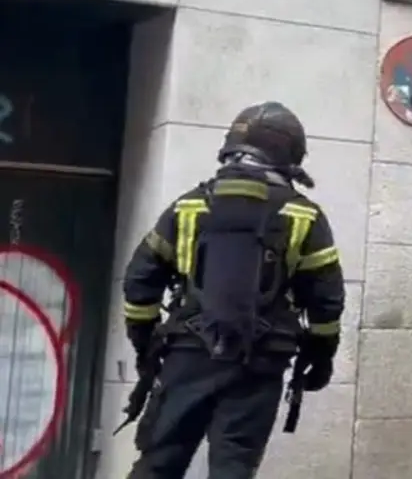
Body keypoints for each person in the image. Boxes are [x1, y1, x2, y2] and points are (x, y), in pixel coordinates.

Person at [121, 101, 345, 479]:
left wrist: (147, 345)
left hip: (188, 356)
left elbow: (139, 281)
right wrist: (320, 358)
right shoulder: (304, 215)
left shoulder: (188, 206)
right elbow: (326, 302)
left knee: (159, 463)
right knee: (233, 467)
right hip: (259, 363)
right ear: (289, 152)